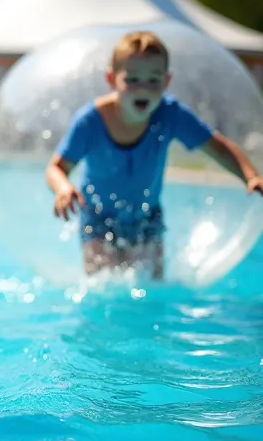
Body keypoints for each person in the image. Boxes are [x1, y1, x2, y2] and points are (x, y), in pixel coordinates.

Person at [47, 30, 263, 278]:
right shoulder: (91, 121)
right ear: (112, 79)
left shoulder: (170, 114)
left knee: (152, 286)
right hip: (98, 217)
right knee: (101, 284)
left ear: (167, 81)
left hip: (147, 216)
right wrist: (63, 187)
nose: (144, 89)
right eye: (133, 79)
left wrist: (250, 175)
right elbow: (56, 167)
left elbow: (216, 146)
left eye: (154, 80)